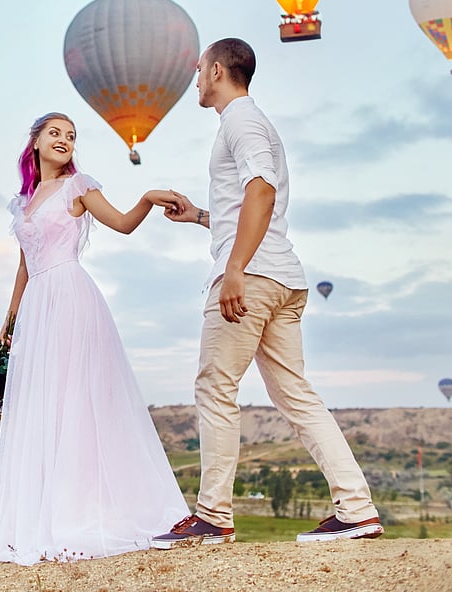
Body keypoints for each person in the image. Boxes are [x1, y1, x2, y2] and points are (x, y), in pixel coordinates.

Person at [150, 38, 384, 548]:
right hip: (282, 277)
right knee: (297, 395)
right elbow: (252, 207)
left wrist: (234, 268)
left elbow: (261, 191)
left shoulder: (241, 121)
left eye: (198, 69)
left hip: (250, 278)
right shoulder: (252, 123)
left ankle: (213, 516)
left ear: (216, 70)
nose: (193, 78)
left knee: (216, 387)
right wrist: (200, 218)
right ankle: (357, 509)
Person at [0, 112, 189, 565]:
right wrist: (10, 319)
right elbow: (24, 266)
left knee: (75, 399)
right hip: (37, 305)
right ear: (35, 141)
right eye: (54, 133)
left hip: (71, 297)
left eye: (72, 135)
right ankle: (42, 515)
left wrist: (148, 198)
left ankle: (79, 515)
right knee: (41, 404)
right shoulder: (22, 203)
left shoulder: (79, 187)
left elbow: (122, 224)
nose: (64, 140)